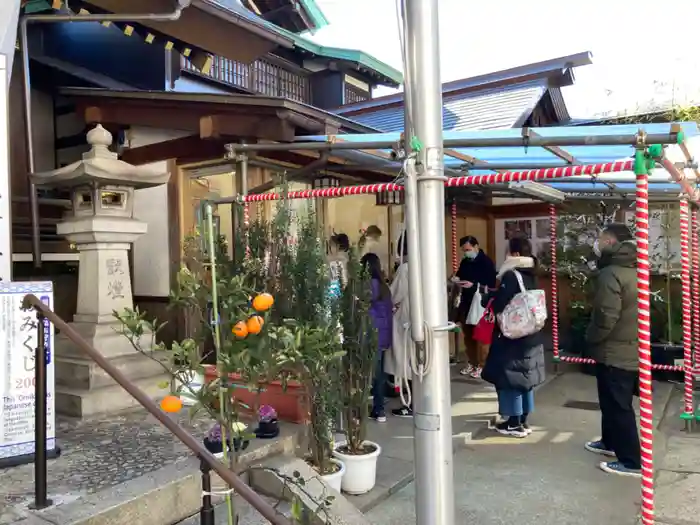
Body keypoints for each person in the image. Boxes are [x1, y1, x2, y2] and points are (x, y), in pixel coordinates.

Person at [584, 224, 641, 478]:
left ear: (610, 242)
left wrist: (591, 338)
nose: (597, 244)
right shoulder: (634, 270)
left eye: (600, 239)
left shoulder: (611, 274)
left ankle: (631, 460)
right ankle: (610, 443)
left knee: (618, 406)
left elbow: (606, 316)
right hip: (629, 345)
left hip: (615, 350)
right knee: (610, 402)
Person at [481, 234, 545, 438]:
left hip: (512, 334)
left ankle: (513, 423)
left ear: (515, 254)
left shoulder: (512, 275)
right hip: (531, 332)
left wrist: (488, 297)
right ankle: (523, 421)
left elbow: (501, 303)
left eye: (508, 251)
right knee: (524, 378)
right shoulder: (532, 273)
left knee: (510, 377)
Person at [454, 235, 497, 378]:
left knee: (481, 336)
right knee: (468, 335)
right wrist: (456, 279)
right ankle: (472, 362)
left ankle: (482, 364)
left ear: (476, 246)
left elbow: (491, 285)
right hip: (466, 302)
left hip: (481, 303)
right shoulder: (465, 261)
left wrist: (475, 285)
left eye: (468, 249)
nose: (466, 252)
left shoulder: (486, 262)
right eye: (464, 250)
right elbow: (460, 275)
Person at [361, 253, 393, 423]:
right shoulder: (383, 286)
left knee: (368, 372)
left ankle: (372, 408)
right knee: (379, 373)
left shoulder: (369, 285)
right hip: (383, 335)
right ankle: (379, 409)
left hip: (371, 335)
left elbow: (360, 305)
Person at [386, 233, 413, 417]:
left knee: (408, 361)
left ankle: (411, 403)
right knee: (419, 362)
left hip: (407, 320)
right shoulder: (428, 264)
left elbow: (394, 294)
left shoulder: (405, 269)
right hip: (422, 319)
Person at [327, 232, 350, 298]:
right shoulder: (329, 259)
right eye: (331, 246)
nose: (333, 248)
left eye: (335, 246)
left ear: (338, 246)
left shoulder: (342, 259)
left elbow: (344, 274)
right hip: (334, 287)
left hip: (338, 287)